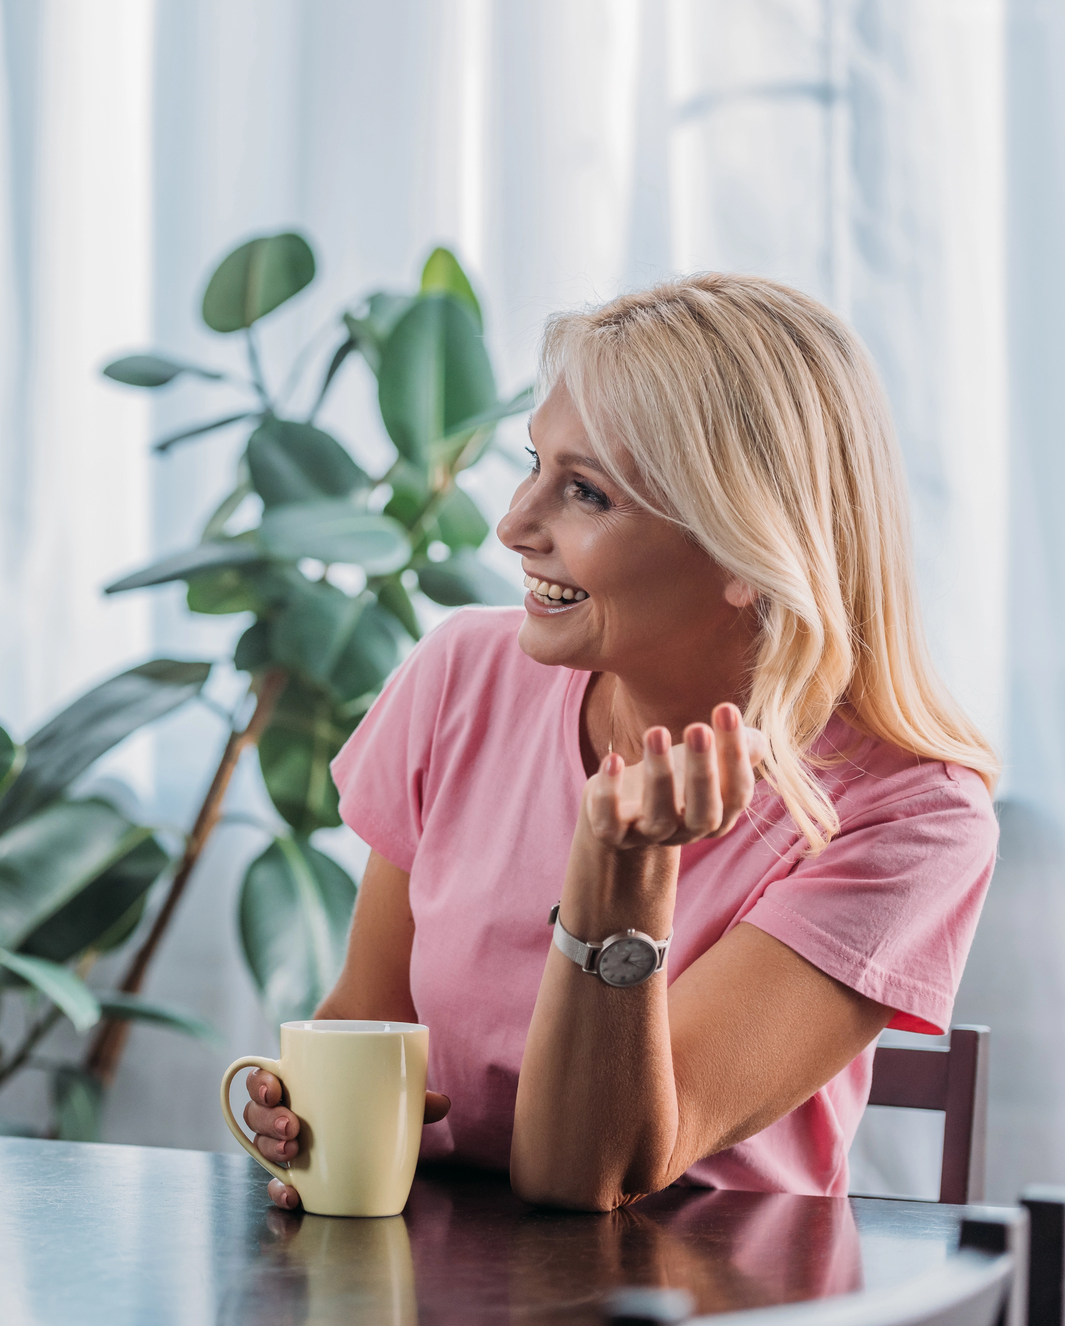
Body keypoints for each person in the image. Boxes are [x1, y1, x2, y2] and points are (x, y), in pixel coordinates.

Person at [241, 273, 998, 1211]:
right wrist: (309, 1126)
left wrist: (621, 875)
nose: (515, 525)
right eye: (534, 465)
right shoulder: (461, 676)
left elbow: (586, 1174)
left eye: (586, 493)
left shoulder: (912, 816)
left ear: (744, 556)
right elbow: (365, 1015)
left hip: (712, 1300)